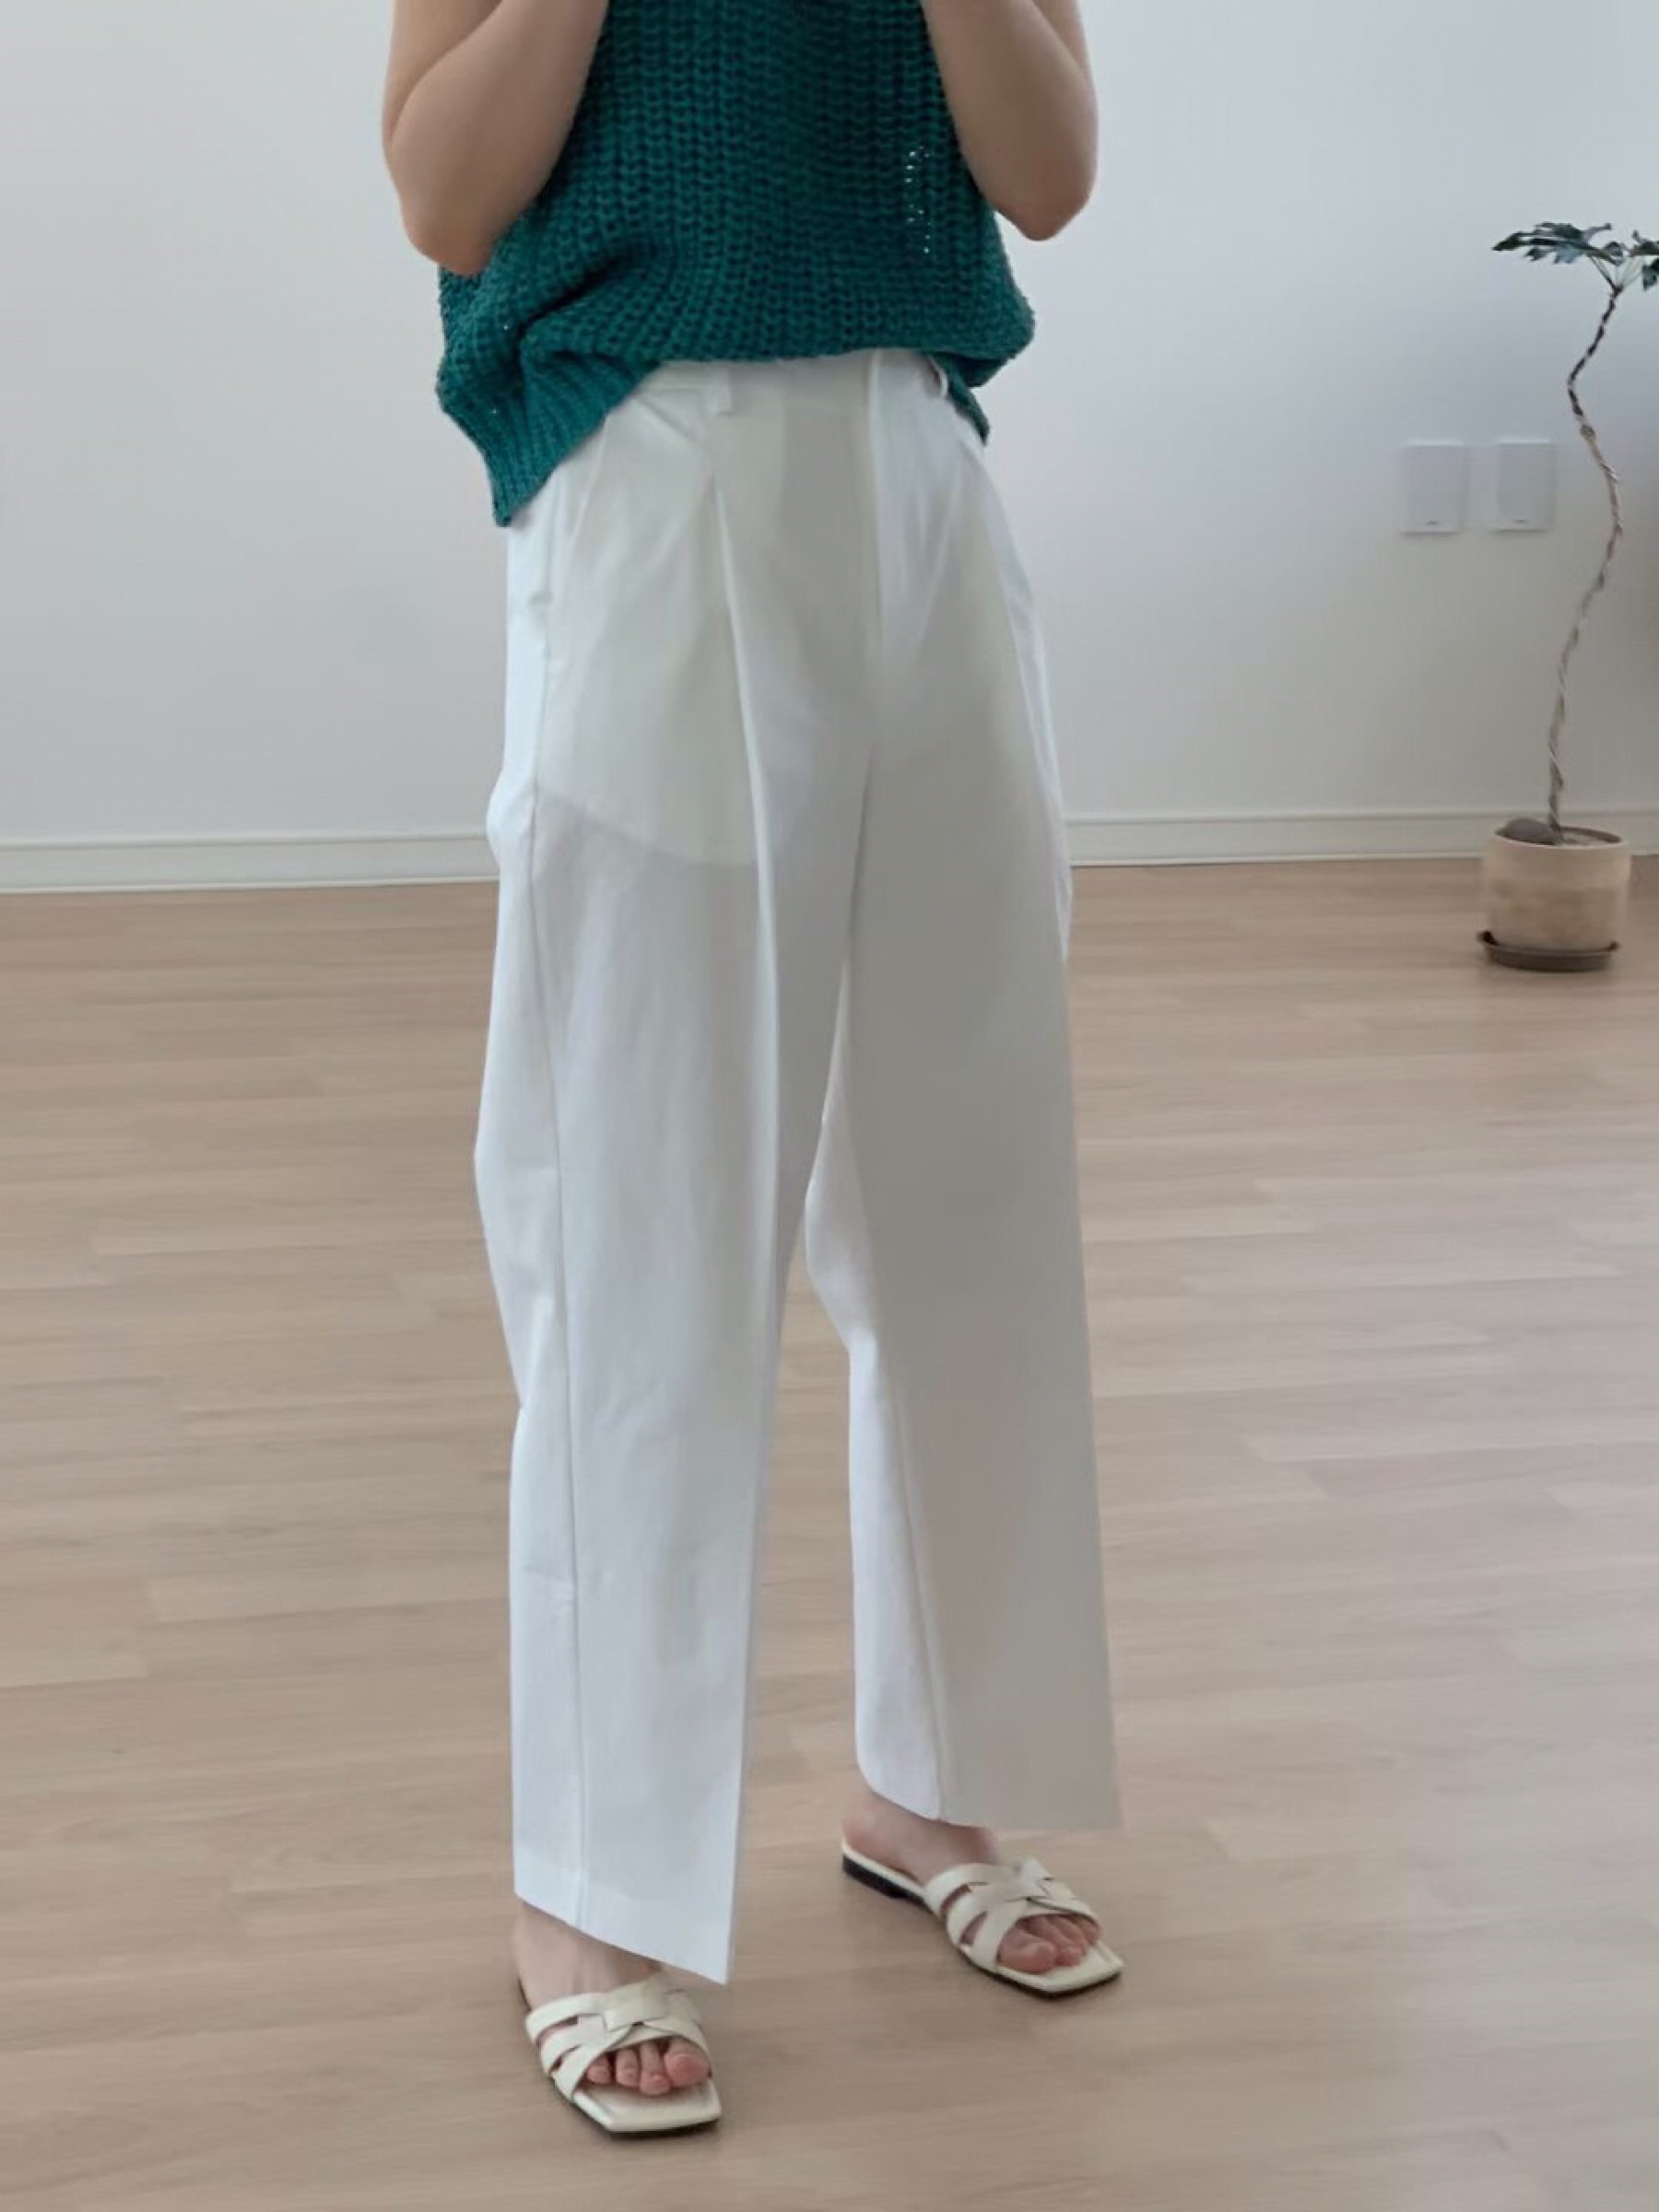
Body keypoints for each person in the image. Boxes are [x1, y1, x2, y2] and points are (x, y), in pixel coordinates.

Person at [383, 0, 1120, 2137]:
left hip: (920, 478)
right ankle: (589, 1895)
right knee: (645, 1207)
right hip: (658, 466)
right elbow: (444, 193)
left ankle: (935, 1788)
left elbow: (1049, 173)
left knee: (969, 1191)